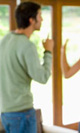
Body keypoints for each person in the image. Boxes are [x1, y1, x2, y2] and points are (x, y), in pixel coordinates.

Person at [0, 1, 54, 133]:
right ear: (31, 20)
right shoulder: (27, 46)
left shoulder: (5, 40)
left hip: (6, 113)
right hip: (22, 114)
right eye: (39, 15)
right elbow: (42, 77)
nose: (42, 19)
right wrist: (48, 51)